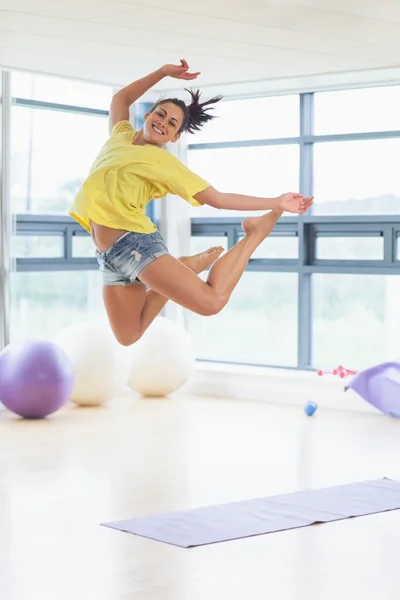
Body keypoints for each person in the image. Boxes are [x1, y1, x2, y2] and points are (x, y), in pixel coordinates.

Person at [69, 59, 313, 346]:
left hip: (134, 245)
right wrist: (162, 73)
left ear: (175, 137)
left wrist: (276, 201)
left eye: (172, 123)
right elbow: (121, 98)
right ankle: (183, 267)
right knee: (128, 335)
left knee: (212, 302)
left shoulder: (163, 163)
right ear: (148, 114)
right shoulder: (119, 137)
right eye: (160, 114)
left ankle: (257, 231)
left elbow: (217, 199)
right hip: (108, 256)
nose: (163, 122)